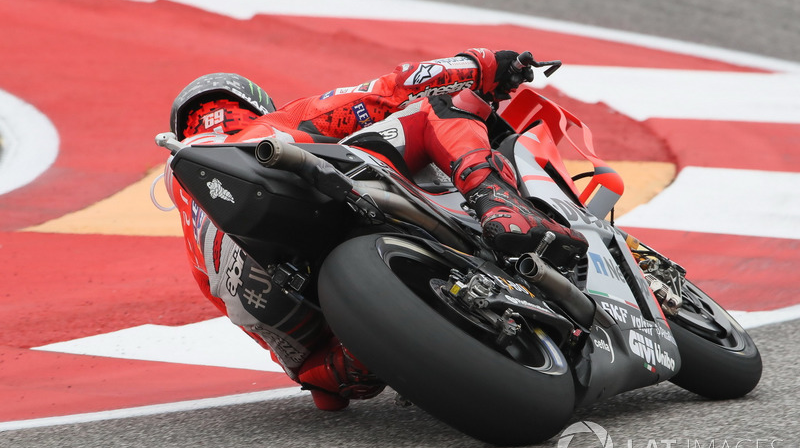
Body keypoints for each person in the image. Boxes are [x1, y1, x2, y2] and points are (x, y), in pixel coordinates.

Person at [165, 49, 588, 411]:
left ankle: (350, 362)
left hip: (236, 277)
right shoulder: (267, 126)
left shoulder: (191, 220)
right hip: (298, 188)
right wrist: (483, 65)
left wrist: (329, 376)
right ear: (253, 104)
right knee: (434, 107)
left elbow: (314, 389)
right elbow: (390, 89)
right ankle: (499, 202)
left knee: (321, 378)